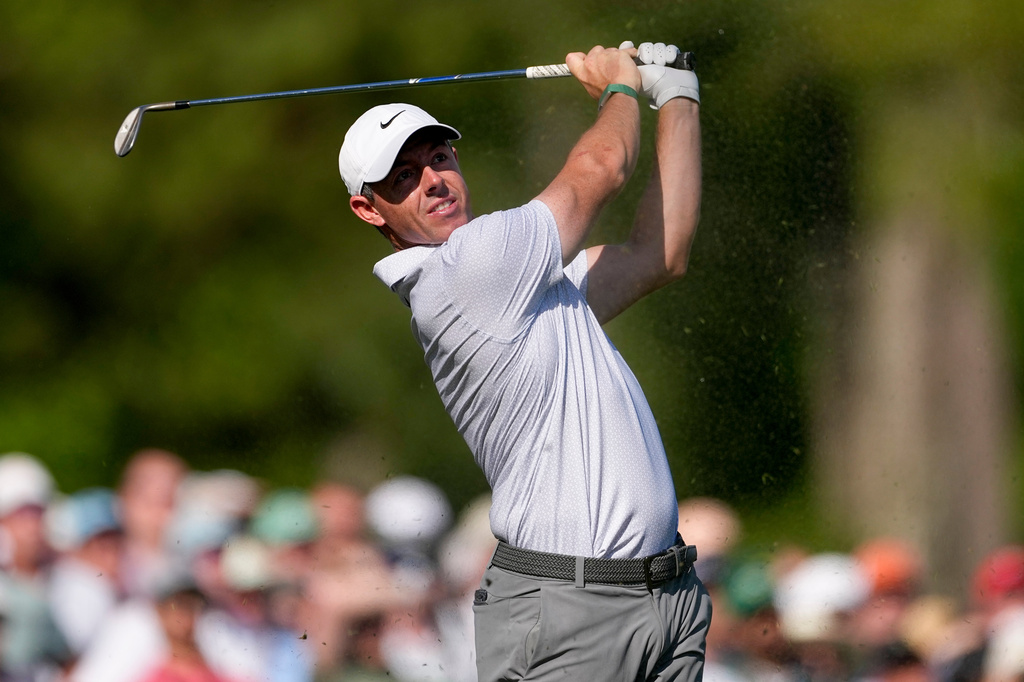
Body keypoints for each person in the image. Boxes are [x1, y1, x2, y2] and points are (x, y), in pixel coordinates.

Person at [339, 41, 710, 680]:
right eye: (402, 177)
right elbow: (600, 167)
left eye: (437, 157)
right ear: (370, 209)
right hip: (570, 607)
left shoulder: (526, 285)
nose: (432, 180)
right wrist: (620, 87)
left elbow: (662, 253)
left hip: (665, 597)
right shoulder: (467, 268)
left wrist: (678, 94)